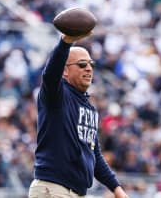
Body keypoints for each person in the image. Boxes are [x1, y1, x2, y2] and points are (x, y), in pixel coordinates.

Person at [28, 32, 129, 198]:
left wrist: (116, 188)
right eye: (82, 64)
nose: (89, 68)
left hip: (75, 192)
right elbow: (50, 74)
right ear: (65, 71)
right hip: (53, 189)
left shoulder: (89, 107)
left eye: (91, 64)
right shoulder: (57, 94)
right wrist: (65, 42)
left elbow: (94, 154)